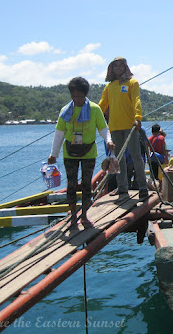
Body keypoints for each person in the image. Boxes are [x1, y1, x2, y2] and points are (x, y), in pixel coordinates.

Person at [48, 77, 115, 230]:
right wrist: (54, 154)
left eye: (79, 96)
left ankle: (84, 215)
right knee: (71, 184)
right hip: (70, 153)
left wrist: (108, 141)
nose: (77, 99)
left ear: (85, 94)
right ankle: (72, 216)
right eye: (74, 96)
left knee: (86, 184)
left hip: (88, 152)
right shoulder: (65, 111)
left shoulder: (94, 109)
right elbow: (59, 133)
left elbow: (103, 129)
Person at [98, 57, 148, 197]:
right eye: (116, 66)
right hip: (114, 127)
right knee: (119, 158)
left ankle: (142, 187)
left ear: (126, 67)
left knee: (136, 156)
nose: (118, 68)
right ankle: (122, 188)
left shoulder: (132, 83)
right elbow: (102, 104)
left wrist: (138, 118)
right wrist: (92, 116)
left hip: (130, 125)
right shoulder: (109, 86)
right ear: (112, 69)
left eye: (121, 66)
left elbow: (136, 101)